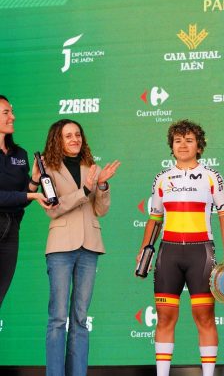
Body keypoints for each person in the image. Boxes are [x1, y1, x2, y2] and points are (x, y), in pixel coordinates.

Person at [137, 120, 224, 376]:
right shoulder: (162, 178)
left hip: (200, 253)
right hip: (168, 253)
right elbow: (155, 219)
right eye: (178, 140)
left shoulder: (212, 177)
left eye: (189, 140)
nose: (183, 145)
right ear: (171, 146)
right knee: (164, 318)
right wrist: (145, 248)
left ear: (199, 146)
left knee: (204, 318)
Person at [42, 119, 120, 376]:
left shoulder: (92, 167)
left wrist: (102, 185)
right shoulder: (45, 167)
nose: (75, 139)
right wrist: (85, 188)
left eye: (78, 134)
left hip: (89, 246)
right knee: (57, 319)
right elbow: (54, 208)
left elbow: (100, 209)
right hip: (60, 248)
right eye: (68, 135)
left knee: (80, 319)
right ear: (58, 140)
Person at [0, 95, 50, 308]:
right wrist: (31, 194)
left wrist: (34, 181)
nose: (13, 116)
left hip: (11, 230)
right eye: (6, 113)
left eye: (11, 111)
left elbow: (22, 198)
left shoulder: (20, 154)